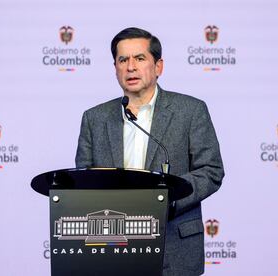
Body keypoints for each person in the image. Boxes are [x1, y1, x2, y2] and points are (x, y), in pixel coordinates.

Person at [75, 27, 224, 276]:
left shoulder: (190, 111)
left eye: (140, 58)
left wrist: (164, 201)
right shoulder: (94, 118)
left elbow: (211, 170)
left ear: (158, 67)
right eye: (123, 60)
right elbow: (84, 180)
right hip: (112, 249)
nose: (130, 67)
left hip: (174, 248)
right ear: (115, 68)